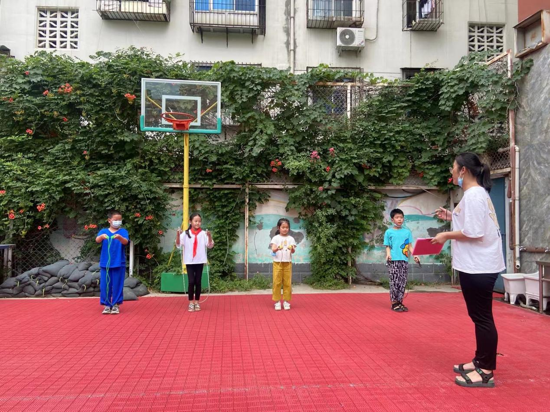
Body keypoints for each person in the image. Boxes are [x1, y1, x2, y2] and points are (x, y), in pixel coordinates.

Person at [432, 152, 505, 388]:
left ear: (463, 170)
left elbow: (474, 232)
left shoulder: (474, 195)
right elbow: (473, 223)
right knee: (478, 316)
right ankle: (480, 360)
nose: (451, 172)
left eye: (453, 167)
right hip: (477, 264)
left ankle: (486, 371)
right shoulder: (475, 194)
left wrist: (445, 235)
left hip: (479, 266)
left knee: (482, 318)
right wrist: (451, 216)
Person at [383, 208, 420, 312]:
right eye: (397, 217)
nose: (399, 219)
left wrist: (415, 255)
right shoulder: (389, 232)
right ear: (392, 219)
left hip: (404, 259)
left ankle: (400, 302)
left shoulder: (407, 232)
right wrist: (388, 254)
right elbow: (387, 246)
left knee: (402, 282)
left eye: (401, 217)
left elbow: (409, 246)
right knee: (394, 281)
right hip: (393, 260)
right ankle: (394, 303)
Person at [176, 213, 214, 312]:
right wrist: (178, 235)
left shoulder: (203, 234)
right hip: (189, 261)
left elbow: (210, 245)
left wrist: (209, 236)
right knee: (191, 281)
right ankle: (190, 302)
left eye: (199, 221)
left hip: (200, 261)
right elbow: (178, 245)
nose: (197, 223)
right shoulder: (186, 233)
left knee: (198, 281)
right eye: (195, 221)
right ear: (190, 222)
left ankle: (197, 302)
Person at [95, 210, 129, 315]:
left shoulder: (123, 232)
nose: (118, 221)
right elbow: (97, 240)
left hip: (119, 262)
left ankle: (116, 305)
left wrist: (119, 237)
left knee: (117, 284)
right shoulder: (103, 231)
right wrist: (101, 237)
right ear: (109, 220)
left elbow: (125, 242)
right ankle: (106, 305)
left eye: (119, 220)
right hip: (105, 263)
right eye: (115, 220)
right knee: (105, 285)